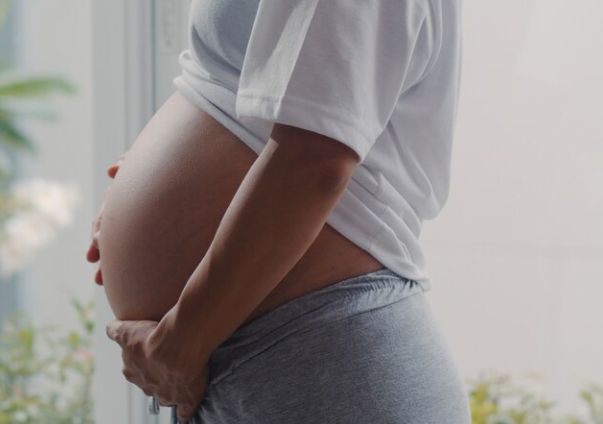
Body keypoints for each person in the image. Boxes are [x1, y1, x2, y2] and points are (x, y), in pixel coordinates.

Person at [87, 0, 471, 422]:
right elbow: (246, 86)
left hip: (323, 365)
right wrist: (159, 169)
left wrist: (180, 346)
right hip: (273, 362)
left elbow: (315, 163)